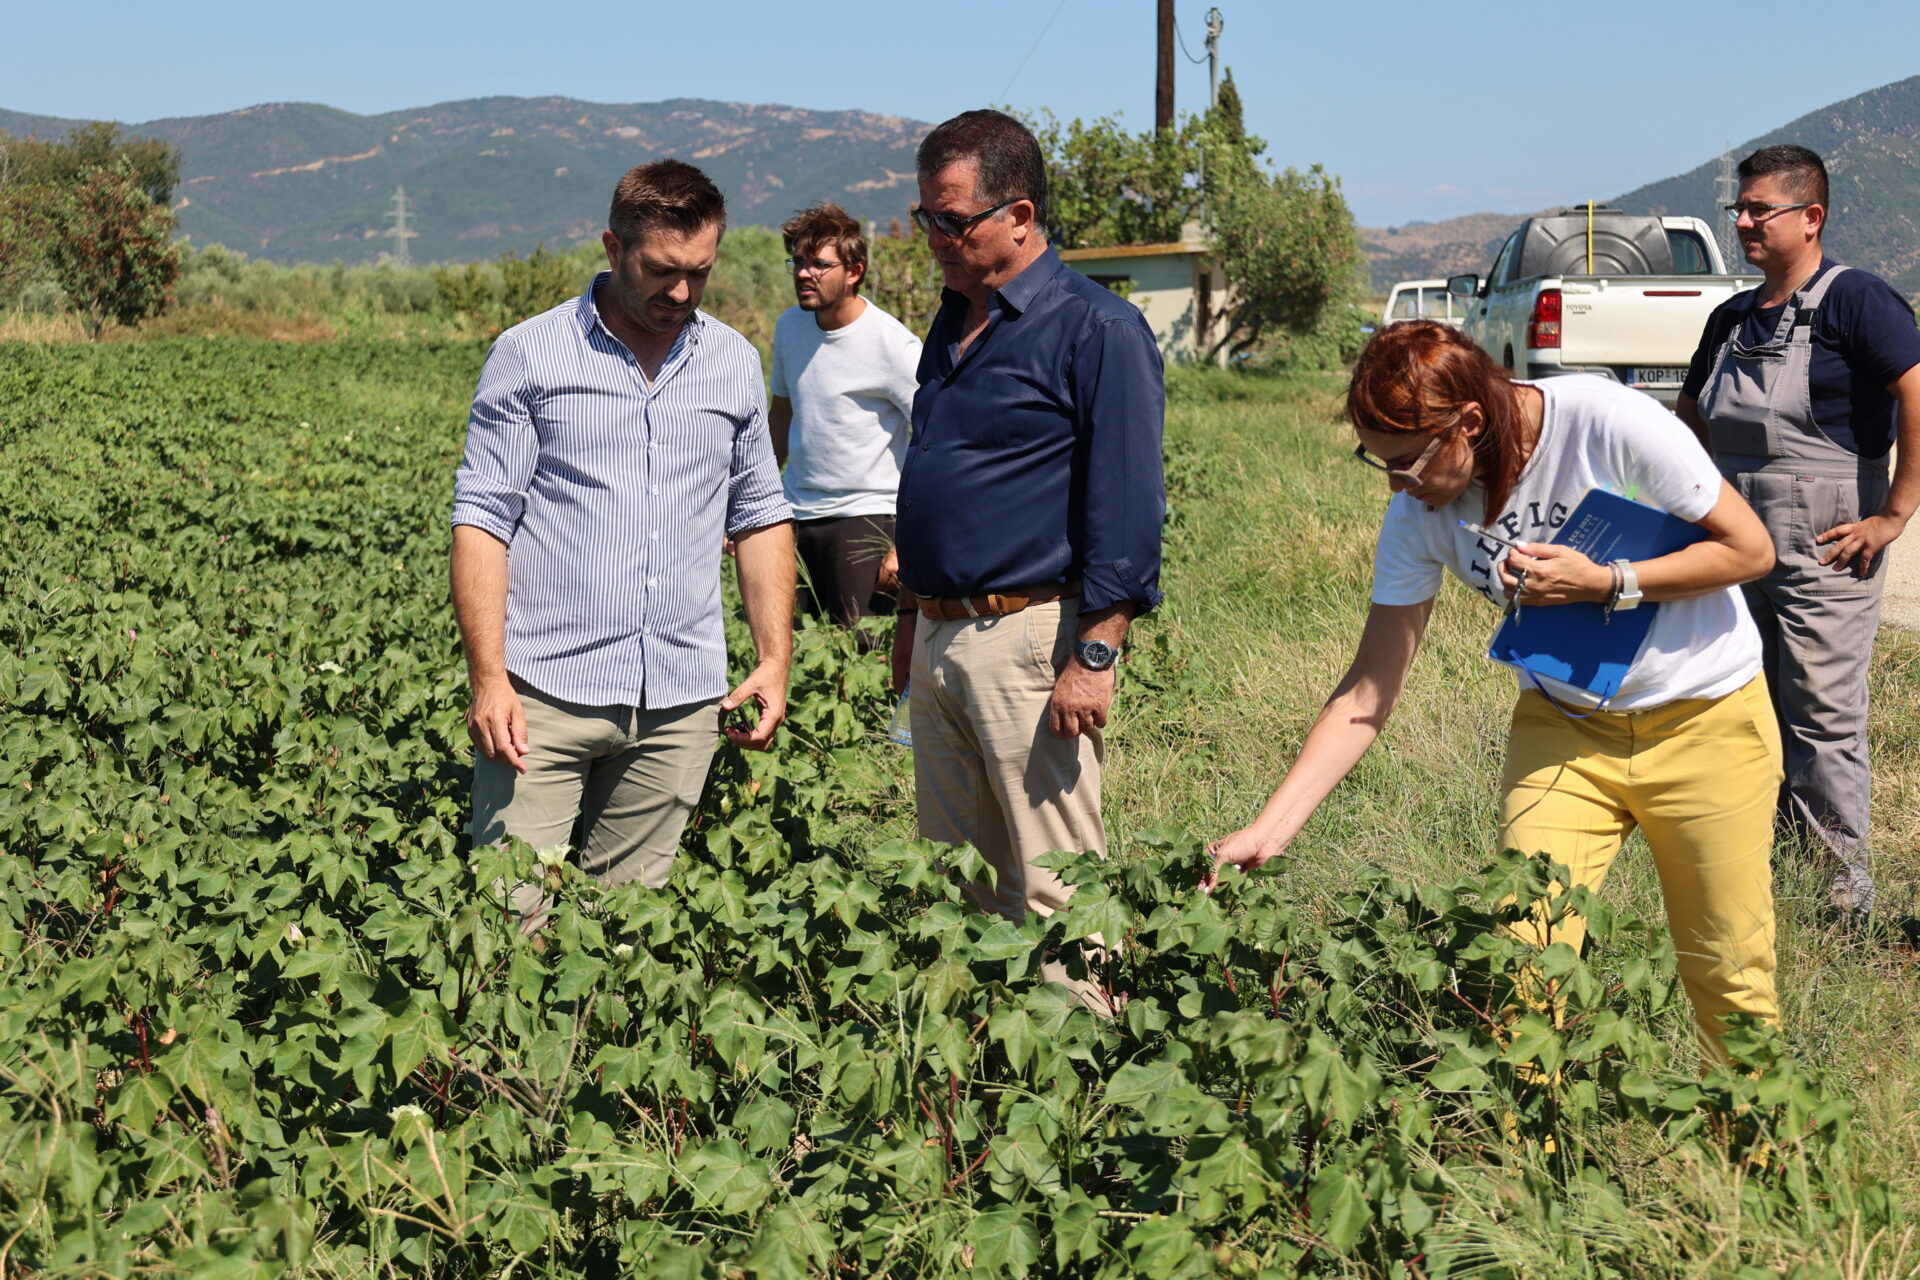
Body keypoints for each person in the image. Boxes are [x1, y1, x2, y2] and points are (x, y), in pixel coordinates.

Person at [1211, 321, 1782, 1059]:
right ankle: (1528, 1166)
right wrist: (1270, 829)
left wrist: (1610, 582)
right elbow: (1366, 691)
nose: (1396, 485)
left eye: (1407, 463)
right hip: (1566, 730)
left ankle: (1756, 1162)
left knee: (1728, 966)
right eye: (1378, 462)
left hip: (1705, 718)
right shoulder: (1419, 516)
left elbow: (1751, 548)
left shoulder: (1607, 423)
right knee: (1520, 967)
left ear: (1468, 423)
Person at [450, 159, 796, 926]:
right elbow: (482, 518)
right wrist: (489, 676)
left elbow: (762, 514)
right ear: (613, 247)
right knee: (510, 923)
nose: (680, 293)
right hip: (542, 697)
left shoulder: (733, 363)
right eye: (661, 270)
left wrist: (774, 660)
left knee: (625, 935)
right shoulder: (531, 355)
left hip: (679, 702)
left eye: (699, 273)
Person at [893, 108, 1166, 927]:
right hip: (940, 638)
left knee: (1056, 888)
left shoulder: (1097, 328)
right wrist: (912, 618)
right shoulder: (952, 320)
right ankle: (979, 1053)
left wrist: (1095, 650)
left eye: (953, 219)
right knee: (958, 885)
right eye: (925, 218)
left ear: (1019, 217)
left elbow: (1127, 504)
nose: (936, 236)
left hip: (1030, 644)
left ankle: (1078, 1048)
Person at [1676, 144, 1920, 918]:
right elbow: (1688, 426)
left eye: (1759, 210)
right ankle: (1768, 878)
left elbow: (1918, 395)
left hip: (1826, 548)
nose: (1743, 222)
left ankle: (1842, 903)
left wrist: (1893, 514)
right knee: (1745, 707)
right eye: (1738, 210)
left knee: (1820, 716)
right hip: (1734, 549)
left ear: (1811, 218)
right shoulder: (1732, 317)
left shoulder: (1858, 302)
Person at [768, 203, 922, 639]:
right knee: (788, 654)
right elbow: (780, 416)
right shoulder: (789, 328)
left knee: (862, 660)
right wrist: (755, 504)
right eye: (797, 262)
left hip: (866, 519)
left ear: (854, 271)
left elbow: (937, 438)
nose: (803, 273)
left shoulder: (892, 343)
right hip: (795, 514)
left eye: (818, 264)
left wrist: (906, 540)